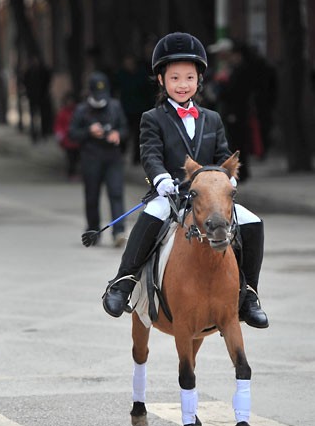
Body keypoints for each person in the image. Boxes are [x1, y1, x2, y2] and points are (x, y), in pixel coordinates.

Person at [101, 32, 269, 329]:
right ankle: (123, 282)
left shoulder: (212, 119)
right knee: (151, 217)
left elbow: (222, 154)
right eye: (175, 78)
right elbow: (150, 154)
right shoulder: (153, 118)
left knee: (253, 222)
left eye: (189, 78)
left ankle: (250, 295)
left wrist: (227, 179)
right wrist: (161, 178)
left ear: (198, 80)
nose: (182, 84)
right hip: (171, 194)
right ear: (162, 80)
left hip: (209, 197)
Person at [69, 72, 128, 247]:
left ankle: (119, 231)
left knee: (116, 193)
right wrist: (89, 131)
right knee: (92, 196)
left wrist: (118, 134)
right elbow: (72, 134)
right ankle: (93, 231)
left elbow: (125, 129)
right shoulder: (81, 110)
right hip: (91, 158)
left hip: (113, 158)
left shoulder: (115, 107)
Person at [53, 91, 79, 179]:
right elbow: (58, 125)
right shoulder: (63, 113)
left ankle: (74, 172)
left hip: (77, 139)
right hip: (67, 140)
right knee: (70, 158)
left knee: (77, 158)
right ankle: (71, 173)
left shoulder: (78, 112)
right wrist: (60, 136)